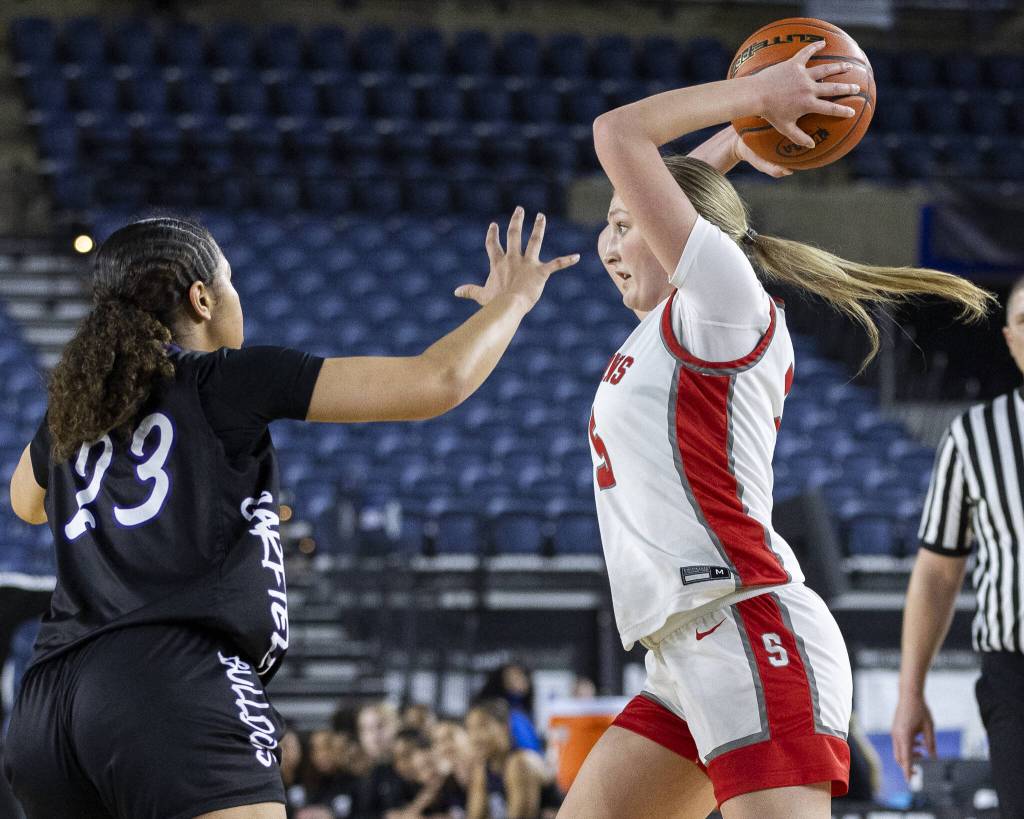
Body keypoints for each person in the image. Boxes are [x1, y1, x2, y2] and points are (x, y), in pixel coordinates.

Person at [4, 211, 578, 819]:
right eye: (230, 282)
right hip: (168, 680)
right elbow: (438, 380)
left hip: (48, 707)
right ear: (202, 299)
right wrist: (510, 303)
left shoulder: (76, 411)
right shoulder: (226, 379)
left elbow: (27, 503)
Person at [561, 40, 994, 819]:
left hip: (750, 629)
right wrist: (737, 138)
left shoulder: (722, 301)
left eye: (627, 223)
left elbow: (617, 135)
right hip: (684, 654)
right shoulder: (672, 322)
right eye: (612, 224)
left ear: (680, 230)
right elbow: (674, 183)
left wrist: (755, 93)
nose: (609, 243)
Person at [891, 275, 1024, 818]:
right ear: (1011, 338)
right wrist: (910, 692)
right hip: (1015, 677)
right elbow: (938, 574)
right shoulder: (974, 436)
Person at [465, 700, 560, 819]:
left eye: (483, 726)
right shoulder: (482, 768)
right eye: (470, 728)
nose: (475, 737)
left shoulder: (521, 762)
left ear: (505, 727)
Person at [475, 662, 542, 752]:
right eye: (511, 678)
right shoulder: (505, 712)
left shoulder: (524, 710)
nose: (519, 681)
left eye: (521, 676)